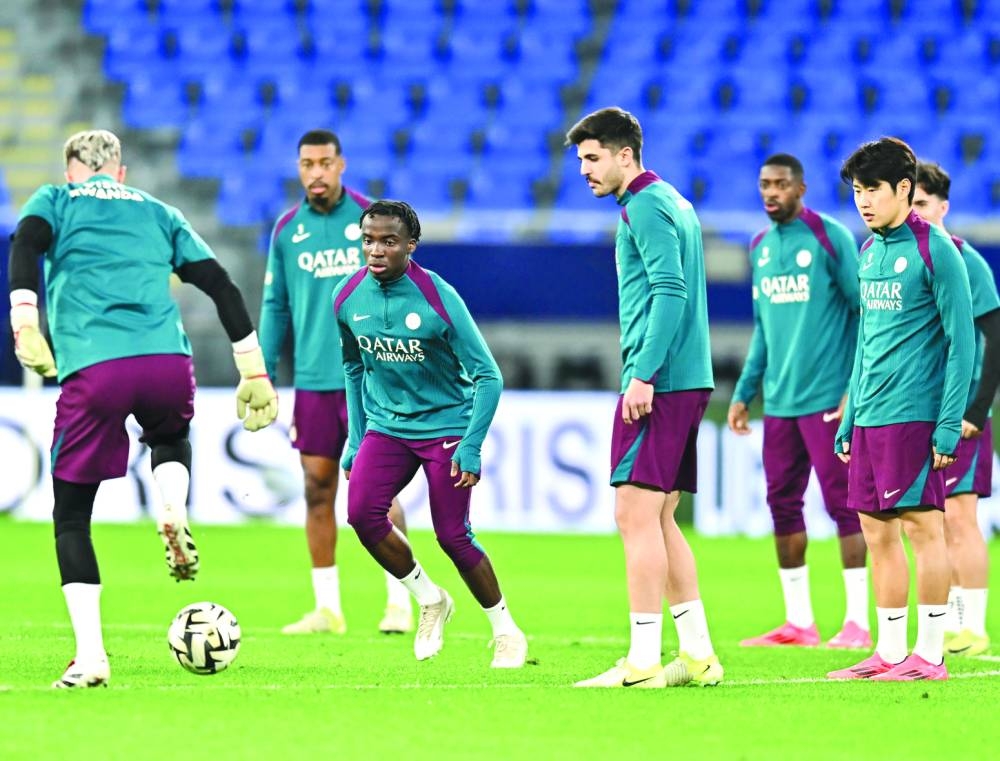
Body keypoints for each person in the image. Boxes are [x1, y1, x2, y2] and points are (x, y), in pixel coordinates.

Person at [8, 129, 278, 688]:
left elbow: (26, 243)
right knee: (170, 436)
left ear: (71, 170)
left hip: (96, 366)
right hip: (165, 362)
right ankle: (172, 506)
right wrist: (253, 368)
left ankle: (91, 658)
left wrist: (24, 322)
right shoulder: (159, 210)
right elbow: (219, 283)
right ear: (121, 172)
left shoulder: (56, 200)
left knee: (71, 519)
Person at [332, 200, 528, 668]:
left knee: (452, 535)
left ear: (410, 245)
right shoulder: (345, 297)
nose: (375, 250)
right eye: (368, 240)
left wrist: (472, 445)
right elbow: (353, 366)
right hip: (387, 427)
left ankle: (506, 631)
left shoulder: (437, 295)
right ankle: (430, 599)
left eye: (388, 241)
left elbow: (488, 376)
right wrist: (356, 439)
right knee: (362, 514)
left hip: (446, 426)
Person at [566, 107, 722, 688]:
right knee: (660, 516)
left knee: (632, 512)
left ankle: (641, 660)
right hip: (687, 376)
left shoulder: (646, 207)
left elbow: (669, 291)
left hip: (663, 380)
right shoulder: (673, 201)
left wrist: (644, 374)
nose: (583, 170)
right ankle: (700, 654)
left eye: (591, 157)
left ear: (624, 154)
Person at [828, 137, 974, 682]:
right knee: (876, 531)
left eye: (872, 190)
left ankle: (930, 656)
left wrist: (946, 424)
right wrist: (849, 414)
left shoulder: (937, 251)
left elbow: (964, 343)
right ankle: (889, 652)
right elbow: (867, 339)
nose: (863, 202)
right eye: (857, 192)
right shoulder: (868, 252)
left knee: (922, 530)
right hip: (868, 416)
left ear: (906, 190)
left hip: (914, 414)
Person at [260, 129, 412, 636]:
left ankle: (400, 601)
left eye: (325, 163)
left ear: (341, 165)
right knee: (317, 487)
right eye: (308, 164)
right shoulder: (286, 231)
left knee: (379, 487)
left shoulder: (372, 221)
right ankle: (328, 609)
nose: (317, 172)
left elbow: (406, 290)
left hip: (373, 378)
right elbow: (276, 306)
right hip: (315, 383)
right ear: (299, 168)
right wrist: (263, 373)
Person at [729, 154, 870, 649]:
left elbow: (864, 312)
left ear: (801, 188)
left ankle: (857, 623)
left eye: (781, 184)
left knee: (845, 507)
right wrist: (745, 391)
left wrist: (857, 386)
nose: (771, 192)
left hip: (829, 399)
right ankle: (799, 622)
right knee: (782, 507)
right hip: (781, 405)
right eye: (764, 184)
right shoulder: (760, 246)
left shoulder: (831, 236)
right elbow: (764, 331)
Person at [912, 160, 1000, 657]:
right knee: (932, 522)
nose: (918, 213)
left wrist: (976, 408)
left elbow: (997, 339)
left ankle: (975, 626)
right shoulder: (914, 257)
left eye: (925, 204)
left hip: (962, 416)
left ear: (943, 207)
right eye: (913, 204)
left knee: (961, 520)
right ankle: (948, 623)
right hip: (923, 412)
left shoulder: (965, 260)